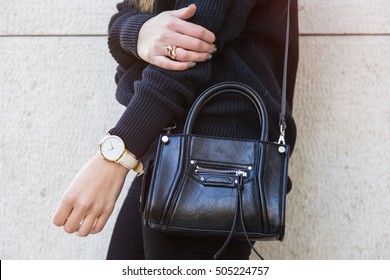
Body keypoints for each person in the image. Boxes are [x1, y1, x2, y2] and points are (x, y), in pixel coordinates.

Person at [53, 0, 299, 260]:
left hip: (218, 169)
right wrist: (138, 32)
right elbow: (126, 13)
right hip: (169, 155)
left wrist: (116, 155)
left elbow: (184, 56)